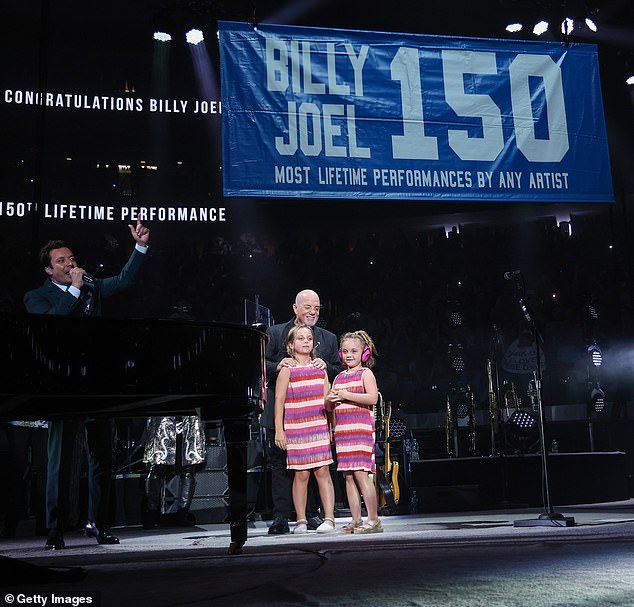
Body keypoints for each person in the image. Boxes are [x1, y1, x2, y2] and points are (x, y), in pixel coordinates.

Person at [23, 219, 150, 550]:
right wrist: (76, 290)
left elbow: (123, 281)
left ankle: (99, 523)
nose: (70, 264)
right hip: (62, 387)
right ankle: (55, 529)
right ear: (49, 270)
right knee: (60, 461)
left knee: (101, 459)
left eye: (71, 258)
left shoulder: (92, 285)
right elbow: (51, 327)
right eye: (61, 261)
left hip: (96, 382)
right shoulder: (36, 297)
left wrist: (139, 247)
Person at [263, 289, 341, 534]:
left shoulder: (328, 338)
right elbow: (260, 362)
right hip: (286, 412)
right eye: (307, 307)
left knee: (318, 468)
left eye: (317, 308)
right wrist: (278, 365)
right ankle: (281, 517)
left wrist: (326, 365)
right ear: (295, 308)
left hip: (315, 416)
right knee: (282, 466)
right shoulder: (276, 332)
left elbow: (338, 368)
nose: (313, 312)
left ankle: (312, 514)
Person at [274, 324, 336, 534]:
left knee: (323, 472)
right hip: (296, 428)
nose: (306, 342)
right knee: (301, 474)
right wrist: (279, 430)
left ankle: (329, 518)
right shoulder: (286, 370)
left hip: (318, 426)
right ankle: (301, 520)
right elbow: (279, 401)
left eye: (309, 338)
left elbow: (327, 401)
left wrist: (332, 426)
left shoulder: (320, 369)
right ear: (291, 344)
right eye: (301, 338)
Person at [327, 330, 383, 534]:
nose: (349, 355)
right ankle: (357, 519)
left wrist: (346, 395)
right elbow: (331, 406)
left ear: (364, 353)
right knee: (349, 476)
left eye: (354, 351)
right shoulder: (339, 377)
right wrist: (330, 402)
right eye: (345, 351)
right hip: (343, 432)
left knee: (361, 474)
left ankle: (374, 519)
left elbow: (372, 398)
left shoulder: (365, 374)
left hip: (360, 431)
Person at [142, 415, 206, 528]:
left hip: (189, 414)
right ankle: (151, 512)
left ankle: (182, 513)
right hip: (165, 411)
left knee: (188, 465)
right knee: (158, 464)